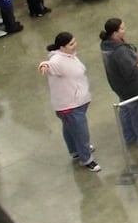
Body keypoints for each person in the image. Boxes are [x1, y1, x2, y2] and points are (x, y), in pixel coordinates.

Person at [37, 31, 100, 172]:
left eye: (74, 42)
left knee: (69, 127)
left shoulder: (70, 56)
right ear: (62, 47)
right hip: (70, 105)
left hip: (77, 101)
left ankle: (75, 150)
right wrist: (43, 66)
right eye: (71, 44)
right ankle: (87, 159)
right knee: (81, 132)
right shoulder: (57, 61)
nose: (75, 45)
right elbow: (48, 65)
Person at [100, 18, 138, 147]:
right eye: (122, 29)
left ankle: (129, 136)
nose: (125, 30)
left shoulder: (107, 46)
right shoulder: (119, 51)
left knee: (125, 110)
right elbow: (131, 73)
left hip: (121, 87)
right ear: (114, 33)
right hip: (134, 89)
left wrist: (134, 56)